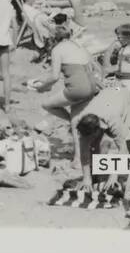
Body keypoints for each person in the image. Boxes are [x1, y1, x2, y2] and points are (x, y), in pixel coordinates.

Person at [33, 25, 101, 165]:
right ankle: (78, 158)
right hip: (91, 85)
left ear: (53, 39)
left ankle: (70, 121)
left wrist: (42, 87)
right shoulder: (77, 45)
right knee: (77, 120)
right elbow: (92, 66)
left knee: (47, 104)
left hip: (77, 88)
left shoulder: (57, 50)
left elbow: (54, 77)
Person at [74, 83, 130, 193]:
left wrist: (114, 176)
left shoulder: (113, 120)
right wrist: (86, 178)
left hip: (126, 98)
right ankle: (95, 174)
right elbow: (84, 152)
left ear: (98, 129)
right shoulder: (82, 121)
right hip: (108, 95)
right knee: (95, 145)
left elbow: (122, 148)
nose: (88, 139)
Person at [103, 24, 130, 105]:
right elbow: (109, 54)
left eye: (120, 35)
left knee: (127, 100)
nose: (118, 37)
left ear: (128, 36)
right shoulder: (122, 48)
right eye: (117, 35)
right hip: (119, 80)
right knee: (115, 96)